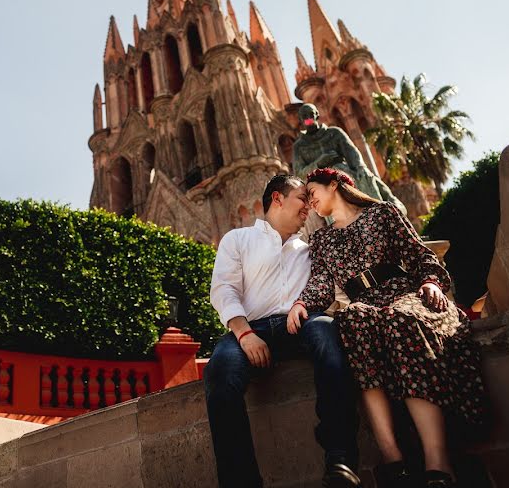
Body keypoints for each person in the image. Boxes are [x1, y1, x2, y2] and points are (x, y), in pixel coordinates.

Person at [287, 168, 486, 488]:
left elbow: (419, 253)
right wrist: (301, 304)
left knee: (398, 320)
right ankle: (393, 460)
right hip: (362, 304)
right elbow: (321, 284)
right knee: (352, 322)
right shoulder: (321, 239)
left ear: (335, 185)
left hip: (402, 293)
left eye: (313, 191)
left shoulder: (382, 213)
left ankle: (438, 460)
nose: (309, 200)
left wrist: (432, 282)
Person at [204, 174, 361, 488]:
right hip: (252, 328)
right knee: (219, 372)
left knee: (328, 337)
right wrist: (244, 334)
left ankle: (340, 459)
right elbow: (224, 290)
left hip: (301, 324)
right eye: (302, 199)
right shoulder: (238, 239)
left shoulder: (311, 249)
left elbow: (331, 289)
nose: (309, 208)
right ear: (277, 198)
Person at [292, 103, 406, 215]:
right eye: (304, 117)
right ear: (301, 121)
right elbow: (299, 174)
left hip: (344, 172)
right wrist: (319, 163)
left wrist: (360, 167)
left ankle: (384, 211)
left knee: (366, 177)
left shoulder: (334, 133)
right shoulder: (299, 146)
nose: (308, 119)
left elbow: (352, 153)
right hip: (322, 184)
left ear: (317, 115)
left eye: (310, 115)